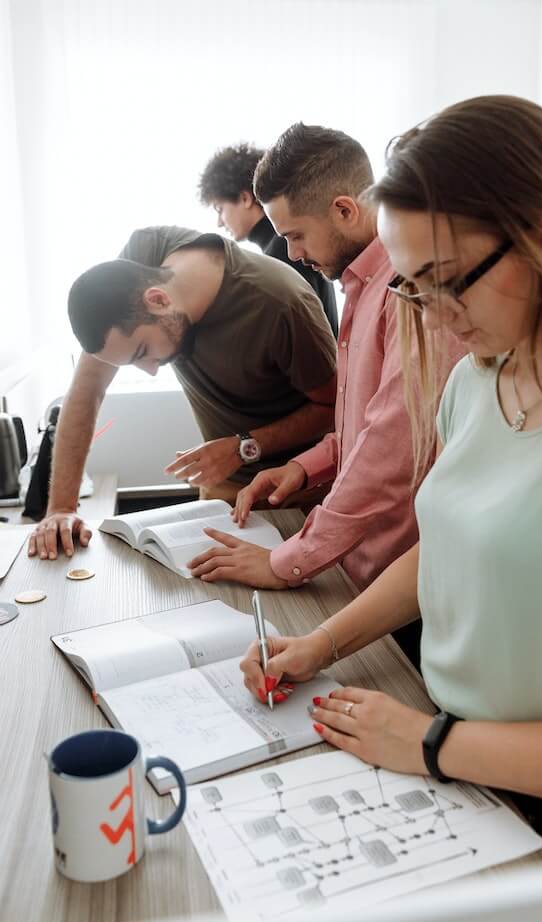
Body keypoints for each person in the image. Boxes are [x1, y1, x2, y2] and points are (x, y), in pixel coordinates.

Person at [239, 96, 542, 857]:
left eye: (448, 280)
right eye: (413, 284)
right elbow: (447, 544)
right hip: (460, 760)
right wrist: (319, 645)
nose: (433, 313)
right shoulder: (479, 379)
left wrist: (429, 745)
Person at [188, 124, 459, 668]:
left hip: (403, 589)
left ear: (343, 210)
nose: (291, 252)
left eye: (296, 235)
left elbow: (393, 449)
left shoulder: (407, 291)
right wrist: (305, 468)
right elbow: (364, 424)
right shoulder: (357, 284)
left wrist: (287, 560)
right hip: (358, 571)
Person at [28, 226, 336, 561]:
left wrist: (244, 447)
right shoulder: (144, 258)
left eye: (143, 351)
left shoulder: (281, 302)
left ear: (158, 300)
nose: (151, 369)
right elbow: (87, 391)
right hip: (224, 491)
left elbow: (333, 408)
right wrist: (60, 509)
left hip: (301, 492)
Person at [199, 143, 339, 336]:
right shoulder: (283, 245)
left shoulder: (282, 250)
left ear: (245, 198)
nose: (219, 223)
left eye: (219, 210)